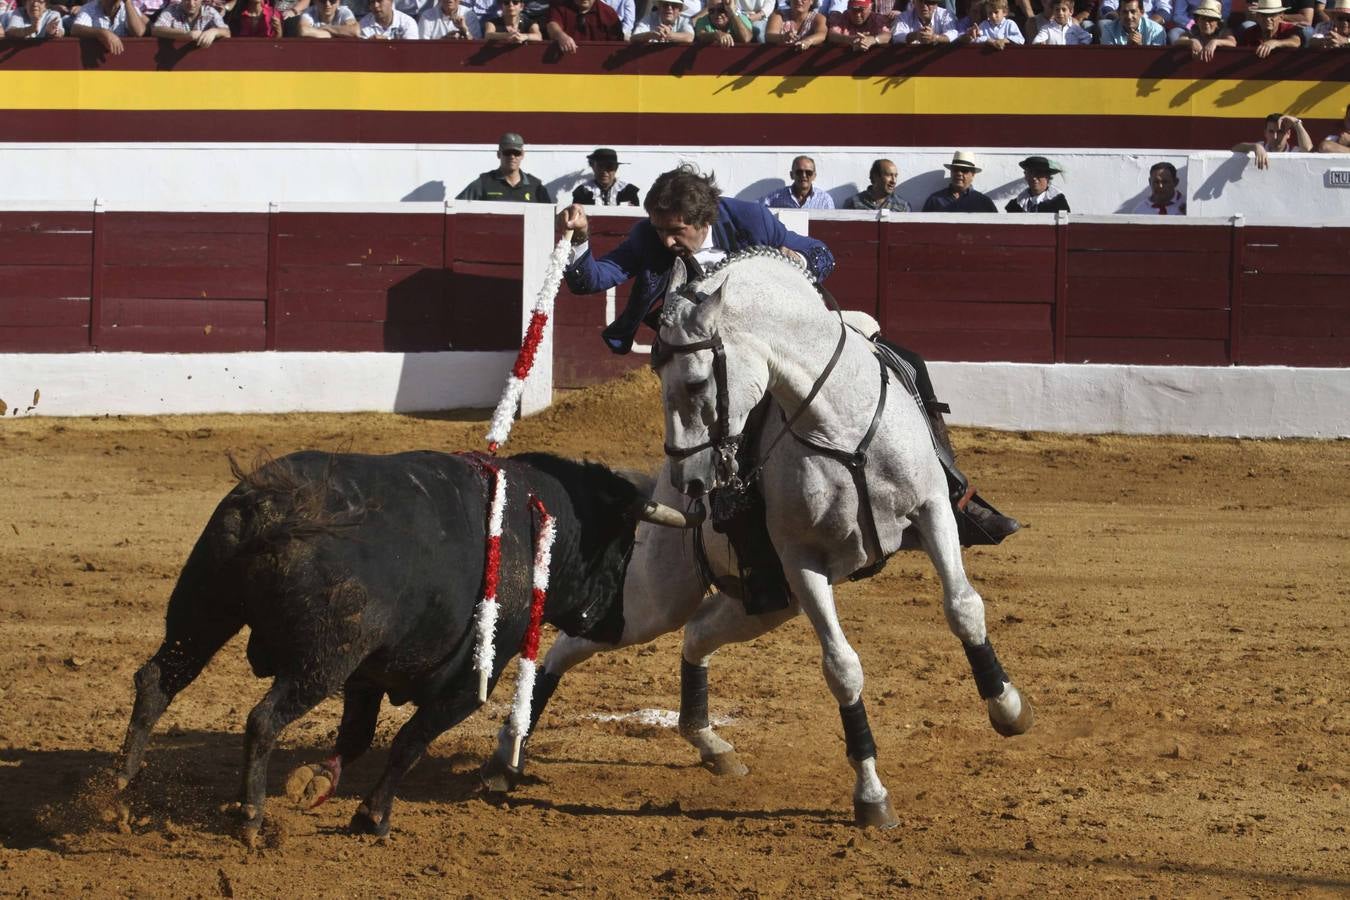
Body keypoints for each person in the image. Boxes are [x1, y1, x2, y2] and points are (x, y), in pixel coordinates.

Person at [560, 164, 1019, 541]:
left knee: (909, 363)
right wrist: (581, 237)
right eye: (660, 230)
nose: (665, 242)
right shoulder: (648, 236)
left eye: (676, 231)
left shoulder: (746, 219)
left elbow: (820, 254)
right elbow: (590, 279)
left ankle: (955, 491)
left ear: (704, 220)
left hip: (775, 346)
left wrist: (800, 261)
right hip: (708, 365)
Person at [457, 132, 553, 203]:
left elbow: (551, 218)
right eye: (507, 153)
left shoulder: (535, 186)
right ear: (499, 154)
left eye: (516, 153)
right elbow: (458, 206)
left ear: (522, 155)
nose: (512, 157)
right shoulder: (484, 182)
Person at [922, 151, 998, 213]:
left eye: (964, 170)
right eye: (955, 169)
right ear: (951, 172)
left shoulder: (984, 202)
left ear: (973, 174)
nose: (959, 173)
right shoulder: (935, 200)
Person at [1232, 113, 1314, 169]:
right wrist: (1254, 147)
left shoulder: (1294, 151)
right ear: (1265, 133)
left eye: (1279, 132)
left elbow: (1307, 148)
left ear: (1288, 134)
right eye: (1271, 132)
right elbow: (1235, 149)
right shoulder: (1260, 147)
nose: (1275, 137)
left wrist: (1297, 123)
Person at [546, 0, 624, 52]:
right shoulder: (559, 5)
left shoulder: (608, 13)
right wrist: (561, 36)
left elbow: (617, 45)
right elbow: (552, 25)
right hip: (563, 64)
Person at [70, 0, 148, 53]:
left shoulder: (128, 8)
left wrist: (127, 2)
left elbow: (139, 32)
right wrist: (103, 33)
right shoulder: (90, 7)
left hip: (126, 65)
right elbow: (76, 29)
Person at [761, 155, 836, 209]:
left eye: (808, 172)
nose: (803, 175)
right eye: (799, 172)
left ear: (814, 176)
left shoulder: (825, 200)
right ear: (791, 175)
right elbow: (758, 210)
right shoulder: (775, 197)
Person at [572, 148, 641, 206]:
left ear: (616, 169)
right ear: (593, 167)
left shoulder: (629, 191)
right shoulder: (582, 192)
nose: (604, 171)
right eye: (600, 166)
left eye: (609, 167)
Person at [1005, 156, 1070, 213]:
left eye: (1039, 173)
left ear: (1047, 177)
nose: (1034, 178)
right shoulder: (1016, 204)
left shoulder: (1058, 202)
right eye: (1030, 173)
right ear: (1026, 176)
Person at [1237, 0, 1304, 55]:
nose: (1268, 18)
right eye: (1264, 15)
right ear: (1257, 16)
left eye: (1272, 15)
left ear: (1281, 16)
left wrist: (1275, 43)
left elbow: (1296, 42)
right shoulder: (1249, 33)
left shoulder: (1290, 29)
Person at [843, 158, 911, 212]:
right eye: (889, 175)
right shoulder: (853, 203)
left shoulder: (903, 206)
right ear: (876, 176)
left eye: (895, 176)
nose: (894, 181)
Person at [151, 0, 229, 44]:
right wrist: (186, 34)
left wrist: (214, 31)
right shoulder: (172, 10)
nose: (191, 4)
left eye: (195, 0)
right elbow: (156, 30)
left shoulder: (210, 11)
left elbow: (227, 33)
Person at [827, 0, 892, 50]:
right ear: (848, 8)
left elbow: (887, 35)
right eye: (854, 10)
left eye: (861, 10)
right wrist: (850, 40)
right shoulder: (841, 17)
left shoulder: (877, 18)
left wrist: (873, 40)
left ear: (870, 7)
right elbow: (831, 35)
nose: (858, 15)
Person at [1098, 0, 1166, 42]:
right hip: (1116, 20)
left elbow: (1155, 63)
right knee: (1102, 23)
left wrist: (1140, 48)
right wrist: (1128, 48)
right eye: (1125, 12)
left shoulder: (1156, 30)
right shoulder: (1108, 29)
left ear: (1142, 12)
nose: (1129, 17)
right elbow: (1110, 61)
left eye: (1133, 12)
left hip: (1149, 23)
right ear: (1119, 12)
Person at [892, 0, 959, 41]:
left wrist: (934, 37)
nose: (924, 6)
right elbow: (896, 37)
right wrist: (915, 36)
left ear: (936, 4)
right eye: (920, 1)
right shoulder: (903, 17)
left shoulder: (946, 14)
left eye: (929, 2)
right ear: (914, 2)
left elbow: (953, 34)